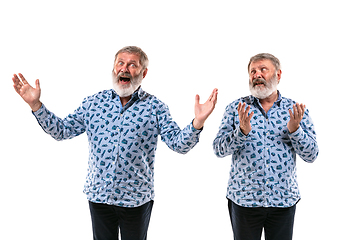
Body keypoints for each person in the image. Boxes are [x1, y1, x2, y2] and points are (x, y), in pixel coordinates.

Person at [12, 46, 218, 240]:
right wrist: (36, 105)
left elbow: (178, 144)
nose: (124, 69)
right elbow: (62, 131)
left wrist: (197, 122)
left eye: (132, 64)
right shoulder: (93, 103)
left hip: (136, 200)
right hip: (99, 197)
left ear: (143, 73)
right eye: (120, 63)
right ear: (113, 68)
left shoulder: (156, 107)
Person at [213, 53, 318, 240]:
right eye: (252, 71)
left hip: (283, 201)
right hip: (243, 200)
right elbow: (218, 150)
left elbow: (312, 155)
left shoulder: (295, 110)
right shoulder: (236, 108)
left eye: (263, 69)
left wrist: (295, 131)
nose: (257, 75)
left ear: (278, 75)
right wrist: (241, 132)